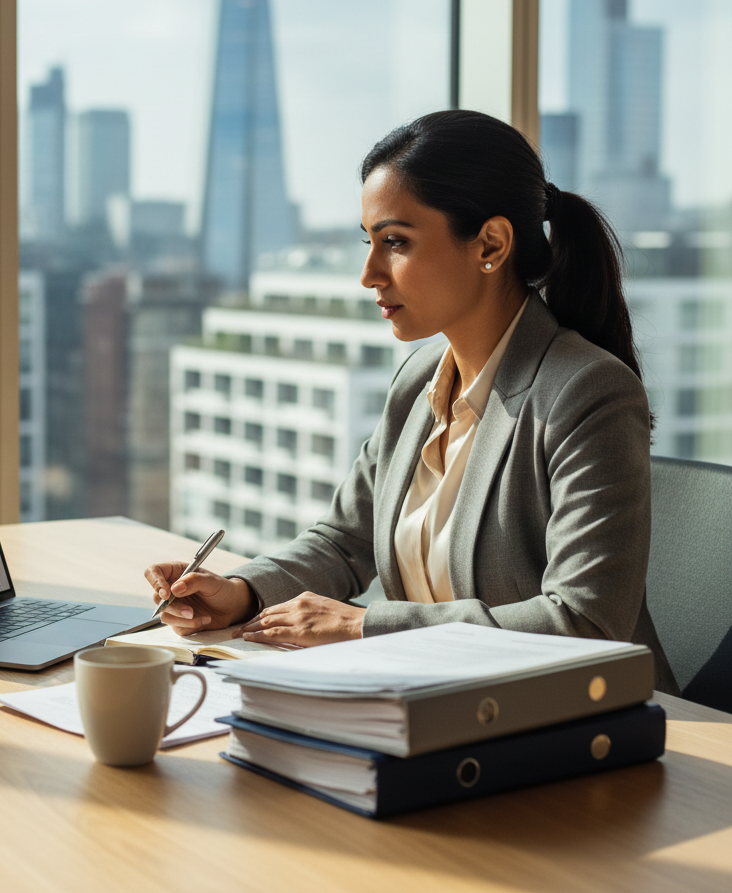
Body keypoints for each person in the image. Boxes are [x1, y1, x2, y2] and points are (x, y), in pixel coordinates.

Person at [145, 109, 678, 693]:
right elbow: (345, 540)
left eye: (395, 242)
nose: (369, 273)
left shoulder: (586, 392)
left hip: (586, 719)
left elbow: (583, 623)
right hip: (435, 705)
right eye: (369, 242)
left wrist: (367, 627)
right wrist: (243, 592)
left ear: (491, 244)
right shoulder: (420, 380)